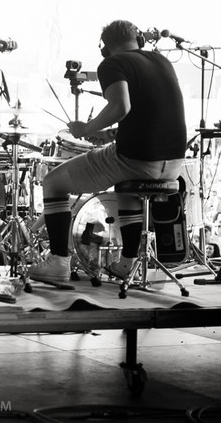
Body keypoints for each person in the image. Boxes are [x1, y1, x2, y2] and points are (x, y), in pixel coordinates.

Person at [30, 20, 187, 283]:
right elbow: (150, 115)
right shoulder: (162, 62)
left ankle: (58, 263)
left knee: (53, 182)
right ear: (139, 39)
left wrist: (85, 128)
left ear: (106, 48)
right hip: (174, 163)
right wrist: (107, 133)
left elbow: (120, 107)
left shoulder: (112, 64)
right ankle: (127, 263)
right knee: (126, 188)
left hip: (137, 160)